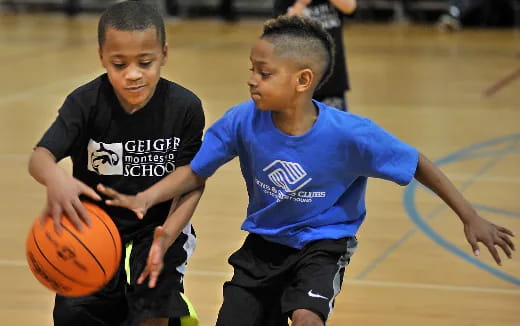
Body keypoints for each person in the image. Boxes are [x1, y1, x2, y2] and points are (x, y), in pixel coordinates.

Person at [97, 15, 515, 326]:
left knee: (306, 318)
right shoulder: (241, 121)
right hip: (262, 245)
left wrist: (470, 216)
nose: (252, 80)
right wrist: (146, 199)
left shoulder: (350, 135)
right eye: (251, 69)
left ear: (303, 80)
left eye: (264, 73)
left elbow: (417, 162)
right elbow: (195, 173)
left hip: (322, 245)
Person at [27, 1, 204, 325]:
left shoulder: (185, 108)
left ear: (164, 54)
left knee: (153, 306)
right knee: (74, 315)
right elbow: (40, 156)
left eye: (145, 62)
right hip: (92, 227)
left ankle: (170, 312)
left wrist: (167, 236)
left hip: (157, 227)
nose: (133, 74)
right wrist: (55, 177)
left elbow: (192, 181)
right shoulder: (84, 102)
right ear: (102, 57)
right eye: (119, 64)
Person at [273, 0, 357, 111]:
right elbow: (282, 28)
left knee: (334, 125)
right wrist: (302, 4)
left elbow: (350, 7)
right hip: (300, 79)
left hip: (333, 80)